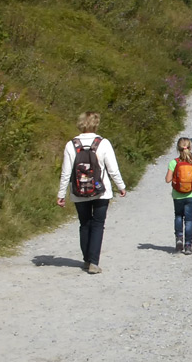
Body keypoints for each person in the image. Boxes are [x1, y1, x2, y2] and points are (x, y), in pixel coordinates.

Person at [55, 111, 127, 274]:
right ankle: (94, 262)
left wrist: (61, 194)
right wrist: (121, 186)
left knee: (84, 223)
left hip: (79, 191)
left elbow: (66, 173)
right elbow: (113, 169)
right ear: (96, 123)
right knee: (98, 224)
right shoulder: (103, 143)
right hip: (101, 191)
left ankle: (87, 259)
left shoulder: (70, 145)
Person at [165, 137, 192, 254]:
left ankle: (179, 238)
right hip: (191, 194)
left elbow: (168, 179)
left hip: (177, 195)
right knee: (189, 220)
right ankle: (188, 245)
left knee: (178, 216)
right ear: (190, 147)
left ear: (178, 148)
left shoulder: (174, 162)